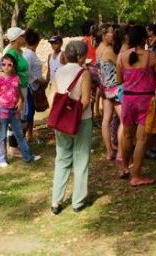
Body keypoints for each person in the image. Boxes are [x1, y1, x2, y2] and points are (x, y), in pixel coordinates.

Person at [50, 41, 93, 214]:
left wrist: (61, 115)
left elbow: (52, 96)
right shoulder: (84, 73)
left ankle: (56, 200)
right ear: (82, 56)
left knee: (62, 158)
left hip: (60, 122)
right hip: (81, 120)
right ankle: (78, 200)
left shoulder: (58, 71)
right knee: (81, 158)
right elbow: (85, 100)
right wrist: (74, 117)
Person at [116, 24, 156, 186]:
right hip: (145, 101)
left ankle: (124, 168)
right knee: (141, 139)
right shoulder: (151, 56)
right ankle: (136, 176)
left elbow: (119, 80)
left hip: (128, 100)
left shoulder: (121, 57)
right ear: (144, 39)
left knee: (127, 135)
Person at [0, 53, 40, 168]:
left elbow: (20, 95)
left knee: (20, 135)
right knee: (2, 136)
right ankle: (1, 159)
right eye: (3, 64)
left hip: (14, 112)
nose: (6, 67)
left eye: (9, 65)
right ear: (1, 65)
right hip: (3, 111)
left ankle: (27, 156)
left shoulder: (16, 78)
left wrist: (20, 102)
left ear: (13, 66)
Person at [97, 24, 123, 161]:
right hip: (114, 89)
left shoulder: (98, 49)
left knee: (106, 120)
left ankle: (109, 152)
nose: (113, 35)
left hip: (105, 89)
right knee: (124, 120)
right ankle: (120, 154)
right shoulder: (109, 51)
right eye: (111, 33)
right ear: (104, 35)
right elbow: (120, 65)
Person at [23, 29, 46, 142]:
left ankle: (29, 136)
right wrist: (38, 80)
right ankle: (19, 139)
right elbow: (26, 71)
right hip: (30, 88)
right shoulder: (29, 54)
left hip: (33, 88)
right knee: (28, 113)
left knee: (30, 114)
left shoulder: (30, 53)